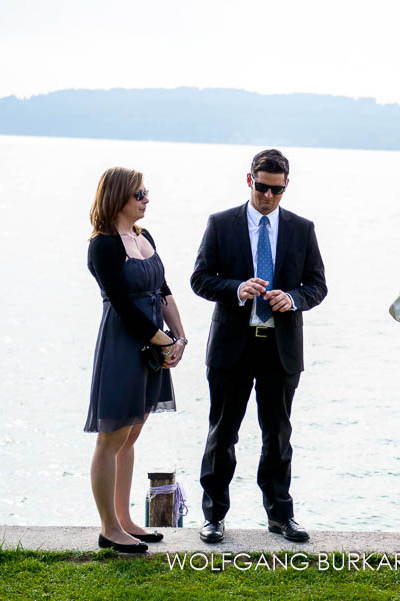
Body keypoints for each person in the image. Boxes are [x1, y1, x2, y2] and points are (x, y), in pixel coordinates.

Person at [192, 149, 327, 544]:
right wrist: (235, 288)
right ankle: (213, 517)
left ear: (287, 186)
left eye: (277, 190)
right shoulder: (221, 224)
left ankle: (281, 517)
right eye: (263, 187)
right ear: (249, 180)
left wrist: (294, 299)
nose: (268, 196)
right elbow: (200, 279)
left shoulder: (302, 229)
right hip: (232, 346)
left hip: (280, 347)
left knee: (278, 436)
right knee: (223, 434)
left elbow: (317, 285)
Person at [85, 166, 187, 554]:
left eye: (147, 193)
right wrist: (163, 341)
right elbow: (125, 307)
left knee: (131, 436)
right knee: (111, 438)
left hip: (155, 344)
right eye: (139, 195)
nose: (146, 200)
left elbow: (164, 291)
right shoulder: (103, 245)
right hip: (124, 345)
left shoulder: (146, 237)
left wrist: (180, 338)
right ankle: (109, 527)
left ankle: (126, 520)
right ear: (119, 198)